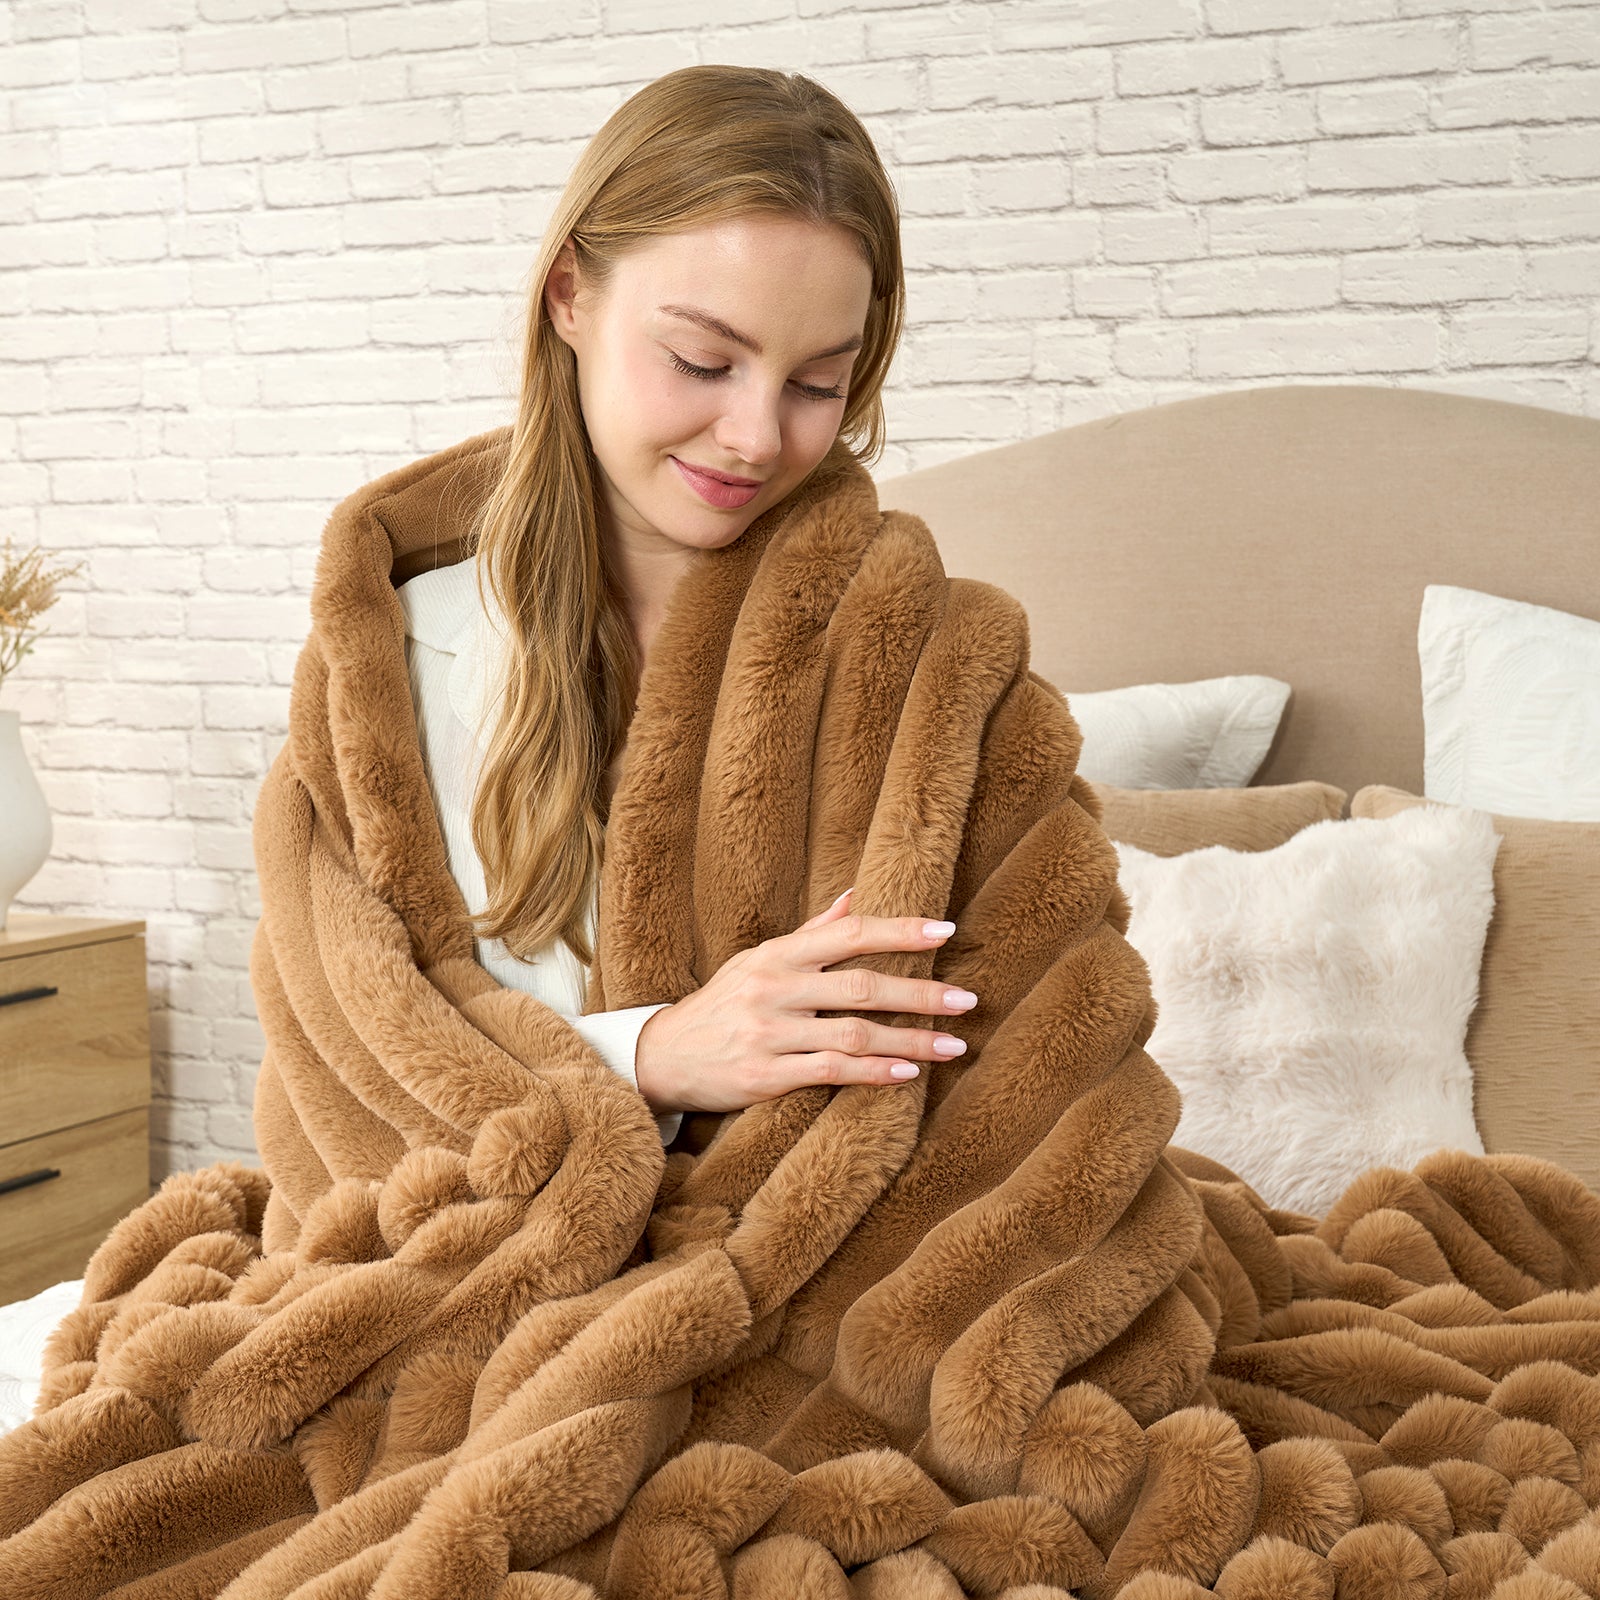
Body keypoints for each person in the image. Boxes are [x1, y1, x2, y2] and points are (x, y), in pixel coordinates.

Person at [395, 64, 979, 1146]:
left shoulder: (927, 658)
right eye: (703, 359)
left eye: (816, 384)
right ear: (570, 296)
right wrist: (653, 1055)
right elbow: (351, 1060)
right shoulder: (388, 659)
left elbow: (1023, 1044)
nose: (759, 436)